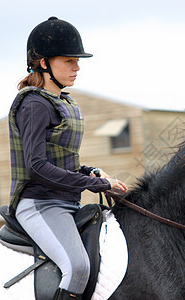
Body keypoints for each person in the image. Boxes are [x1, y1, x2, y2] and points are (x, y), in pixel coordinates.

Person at [8, 16, 128, 300]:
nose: (76, 67)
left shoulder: (64, 101)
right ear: (43, 63)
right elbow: (37, 166)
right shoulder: (34, 105)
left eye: (77, 61)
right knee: (78, 268)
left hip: (67, 202)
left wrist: (93, 173)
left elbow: (63, 161)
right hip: (40, 204)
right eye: (68, 61)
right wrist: (91, 184)